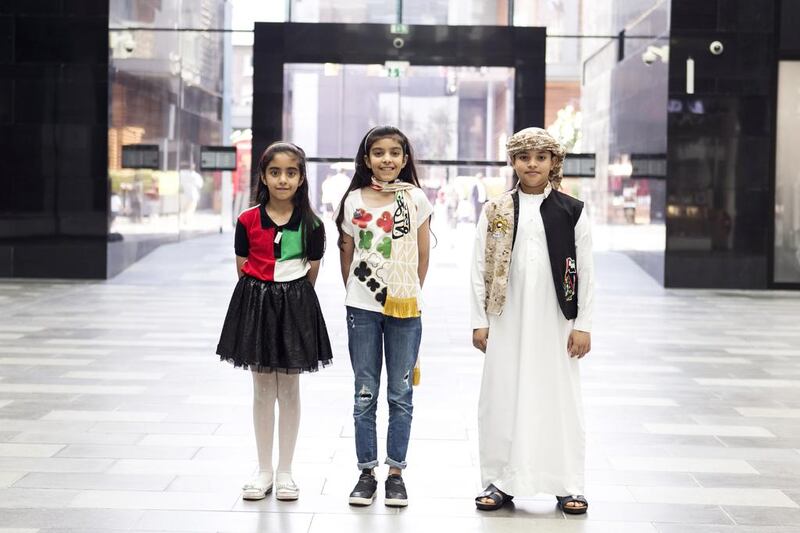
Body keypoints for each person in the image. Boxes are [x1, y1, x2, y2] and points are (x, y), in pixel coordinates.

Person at [470, 127, 595, 514]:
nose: (532, 164)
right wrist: (479, 319)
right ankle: (501, 481)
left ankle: (567, 482)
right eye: (524, 157)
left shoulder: (572, 210)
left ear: (553, 162)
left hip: (557, 317)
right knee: (502, 395)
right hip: (504, 316)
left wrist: (584, 323)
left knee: (557, 396)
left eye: (541, 157)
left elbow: (586, 269)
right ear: (513, 162)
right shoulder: (495, 210)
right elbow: (478, 265)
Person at [216, 141, 333, 502]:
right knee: (262, 388)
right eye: (275, 172)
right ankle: (263, 469)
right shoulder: (246, 220)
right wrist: (262, 296)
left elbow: (313, 269)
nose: (283, 179)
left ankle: (286, 471)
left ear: (301, 179)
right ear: (264, 177)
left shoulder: (312, 224)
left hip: (295, 303)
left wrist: (289, 297)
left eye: (291, 172)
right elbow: (242, 265)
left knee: (290, 388)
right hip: (256, 303)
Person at [334, 125, 433, 508]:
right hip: (362, 310)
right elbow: (347, 251)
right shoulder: (353, 199)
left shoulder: (416, 199)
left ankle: (395, 474)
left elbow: (423, 256)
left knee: (401, 393)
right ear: (366, 159)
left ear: (405, 160)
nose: (387, 159)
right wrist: (356, 293)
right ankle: (365, 472)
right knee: (364, 393)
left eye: (395, 152)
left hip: (405, 311)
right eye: (379, 152)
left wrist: (406, 294)